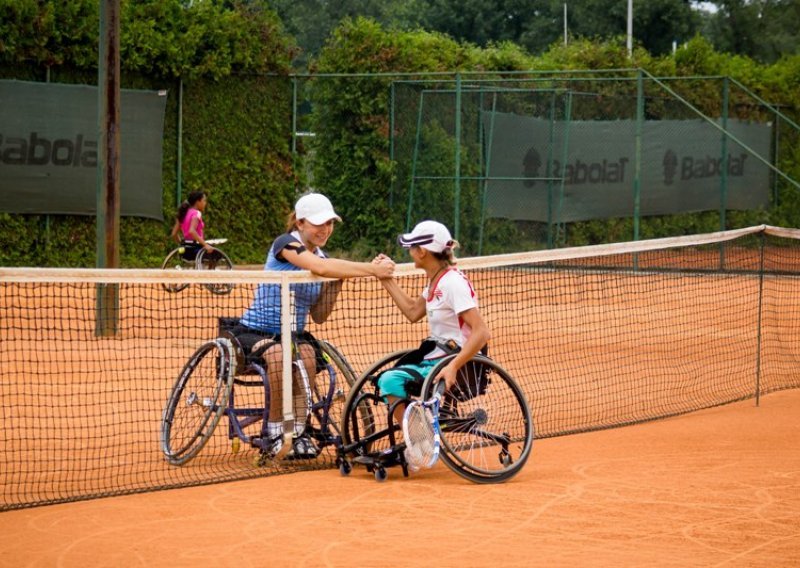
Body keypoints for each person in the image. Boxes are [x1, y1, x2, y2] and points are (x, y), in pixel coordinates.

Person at [233, 192, 395, 459]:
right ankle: (275, 431)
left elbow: (319, 315)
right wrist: (371, 269)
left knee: (307, 356)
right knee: (277, 355)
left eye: (330, 223)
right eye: (319, 223)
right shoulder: (285, 244)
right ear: (300, 223)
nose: (326, 229)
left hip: (293, 334)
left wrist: (337, 281)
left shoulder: (323, 257)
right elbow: (320, 266)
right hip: (255, 331)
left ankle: (298, 430)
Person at [372, 220, 491, 417]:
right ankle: (418, 433)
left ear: (422, 252)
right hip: (437, 356)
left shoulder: (452, 283)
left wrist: (453, 366)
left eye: (412, 246)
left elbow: (482, 332)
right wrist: (384, 278)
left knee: (389, 381)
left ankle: (419, 442)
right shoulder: (437, 280)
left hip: (453, 361)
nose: (409, 250)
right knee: (388, 377)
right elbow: (412, 311)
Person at [170, 191, 215, 260]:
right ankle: (209, 270)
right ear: (198, 202)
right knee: (215, 254)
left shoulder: (182, 214)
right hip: (196, 250)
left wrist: (182, 244)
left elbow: (174, 234)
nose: (205, 203)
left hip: (185, 251)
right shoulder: (197, 213)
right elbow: (192, 231)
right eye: (204, 201)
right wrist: (205, 245)